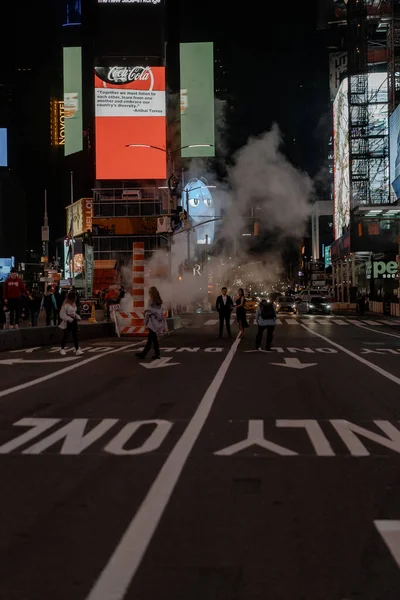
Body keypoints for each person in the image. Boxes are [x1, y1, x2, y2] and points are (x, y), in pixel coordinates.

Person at [136, 286, 166, 361]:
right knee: (152, 339)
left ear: (150, 293)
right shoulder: (159, 301)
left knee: (152, 339)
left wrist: (145, 322)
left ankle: (148, 354)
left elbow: (148, 313)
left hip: (152, 323)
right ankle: (149, 354)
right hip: (157, 322)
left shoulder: (150, 301)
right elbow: (160, 313)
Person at [59, 291, 83, 355]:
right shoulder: (65, 305)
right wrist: (69, 319)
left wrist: (77, 316)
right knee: (65, 336)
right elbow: (62, 315)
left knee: (75, 336)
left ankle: (77, 349)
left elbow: (74, 313)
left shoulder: (73, 304)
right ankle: (62, 349)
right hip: (67, 322)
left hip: (73, 321)